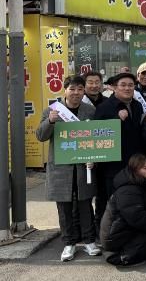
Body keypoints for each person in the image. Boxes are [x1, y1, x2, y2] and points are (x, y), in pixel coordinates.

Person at [36, 75, 101, 262]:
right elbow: (40, 136)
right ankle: (69, 243)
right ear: (65, 90)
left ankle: (89, 241)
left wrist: (94, 160)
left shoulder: (90, 110)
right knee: (64, 207)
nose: (76, 93)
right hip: (61, 167)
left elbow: (96, 137)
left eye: (80, 89)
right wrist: (50, 121)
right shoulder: (53, 110)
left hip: (83, 166)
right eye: (72, 89)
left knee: (85, 204)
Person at [94, 72, 146, 229]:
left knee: (132, 200)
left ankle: (129, 232)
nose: (127, 88)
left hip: (133, 163)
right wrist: (117, 120)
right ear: (114, 87)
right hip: (112, 165)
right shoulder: (104, 107)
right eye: (123, 85)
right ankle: (106, 234)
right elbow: (97, 135)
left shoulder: (137, 105)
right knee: (110, 202)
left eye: (130, 85)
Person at [101, 154, 146, 266]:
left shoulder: (139, 183)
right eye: (144, 168)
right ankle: (121, 257)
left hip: (123, 229)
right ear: (135, 169)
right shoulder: (128, 189)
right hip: (113, 237)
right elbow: (137, 218)